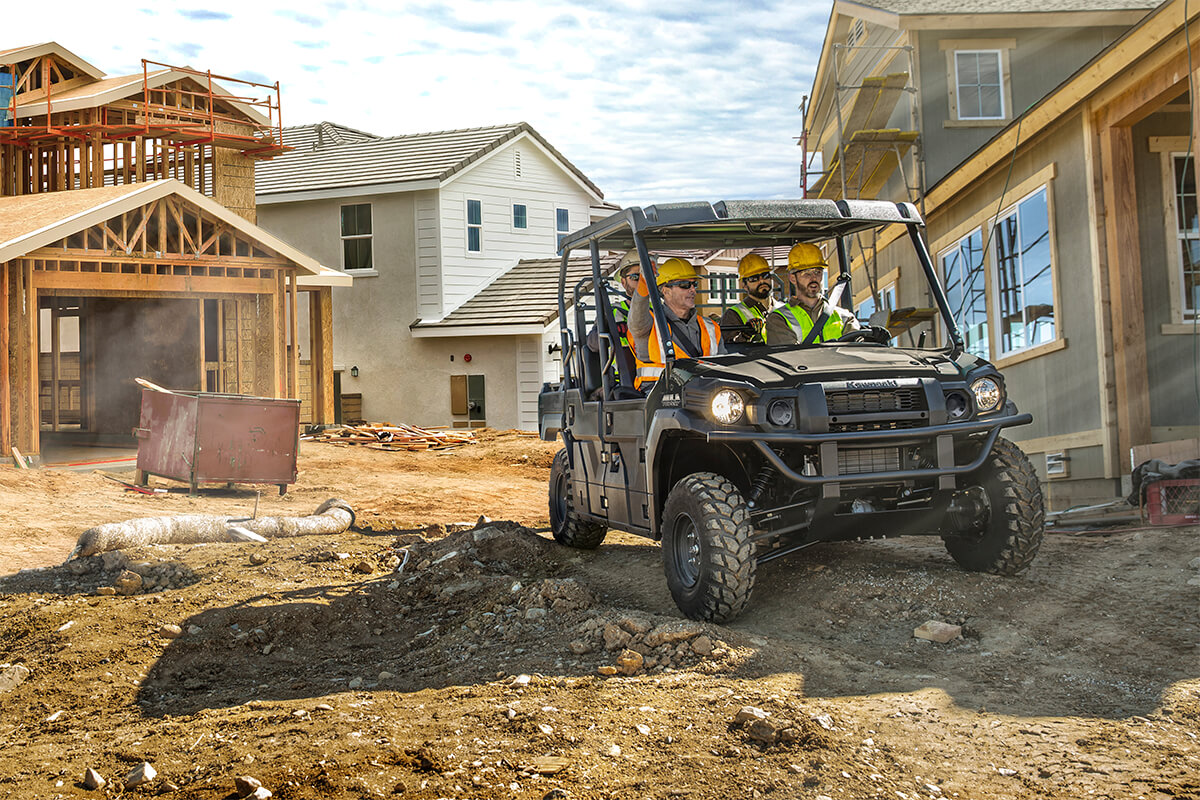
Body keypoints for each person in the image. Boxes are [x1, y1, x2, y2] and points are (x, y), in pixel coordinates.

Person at [628, 257, 724, 389]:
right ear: (665, 291)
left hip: (705, 395)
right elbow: (636, 316)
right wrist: (644, 282)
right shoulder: (649, 325)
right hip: (658, 397)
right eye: (684, 285)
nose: (693, 290)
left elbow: (725, 368)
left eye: (694, 284)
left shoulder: (710, 327)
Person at [765, 243, 860, 345]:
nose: (814, 278)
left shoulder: (845, 317)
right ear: (792, 278)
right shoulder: (779, 319)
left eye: (817, 272)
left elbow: (856, 352)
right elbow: (789, 357)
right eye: (806, 273)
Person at [720, 253, 776, 344]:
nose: (761, 281)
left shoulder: (783, 308)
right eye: (754, 278)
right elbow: (728, 350)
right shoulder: (733, 315)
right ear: (744, 285)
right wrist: (745, 335)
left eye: (765, 275)